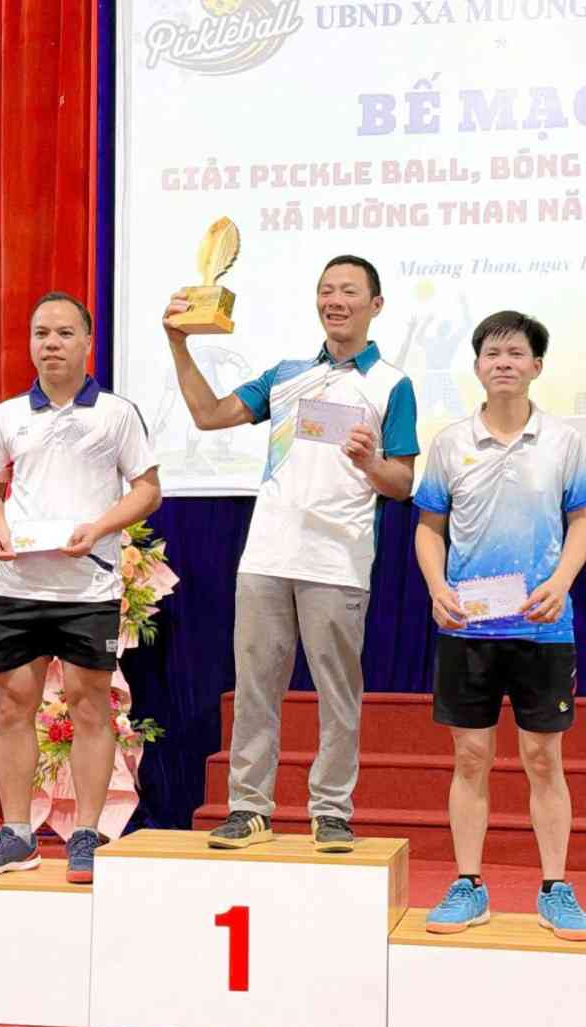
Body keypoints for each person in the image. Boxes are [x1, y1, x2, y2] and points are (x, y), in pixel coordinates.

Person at [163, 255, 418, 852]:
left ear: (375, 305)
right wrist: (178, 344)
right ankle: (249, 808)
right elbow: (208, 415)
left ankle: (331, 811)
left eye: (349, 291)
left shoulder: (392, 384)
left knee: (337, 693)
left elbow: (403, 482)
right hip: (266, 558)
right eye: (326, 290)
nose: (335, 300)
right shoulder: (286, 375)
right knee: (255, 688)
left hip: (338, 560)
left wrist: (369, 462)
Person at [0, 291, 161, 883]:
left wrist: (99, 528)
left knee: (90, 705)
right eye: (41, 333)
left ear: (88, 342)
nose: (52, 344)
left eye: (65, 333)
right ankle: (17, 834)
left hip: (88, 587)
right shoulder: (6, 416)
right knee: (13, 705)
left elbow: (148, 490)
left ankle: (86, 836)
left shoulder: (116, 413)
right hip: (19, 583)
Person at [413, 310, 586, 940]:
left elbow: (582, 520)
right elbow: (429, 528)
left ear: (536, 366)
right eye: (492, 354)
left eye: (516, 353)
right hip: (468, 628)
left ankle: (555, 888)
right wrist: (437, 588)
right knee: (470, 757)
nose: (503, 363)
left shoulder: (563, 441)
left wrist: (562, 582)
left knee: (543, 758)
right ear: (476, 367)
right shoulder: (449, 443)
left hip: (543, 627)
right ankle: (468, 884)